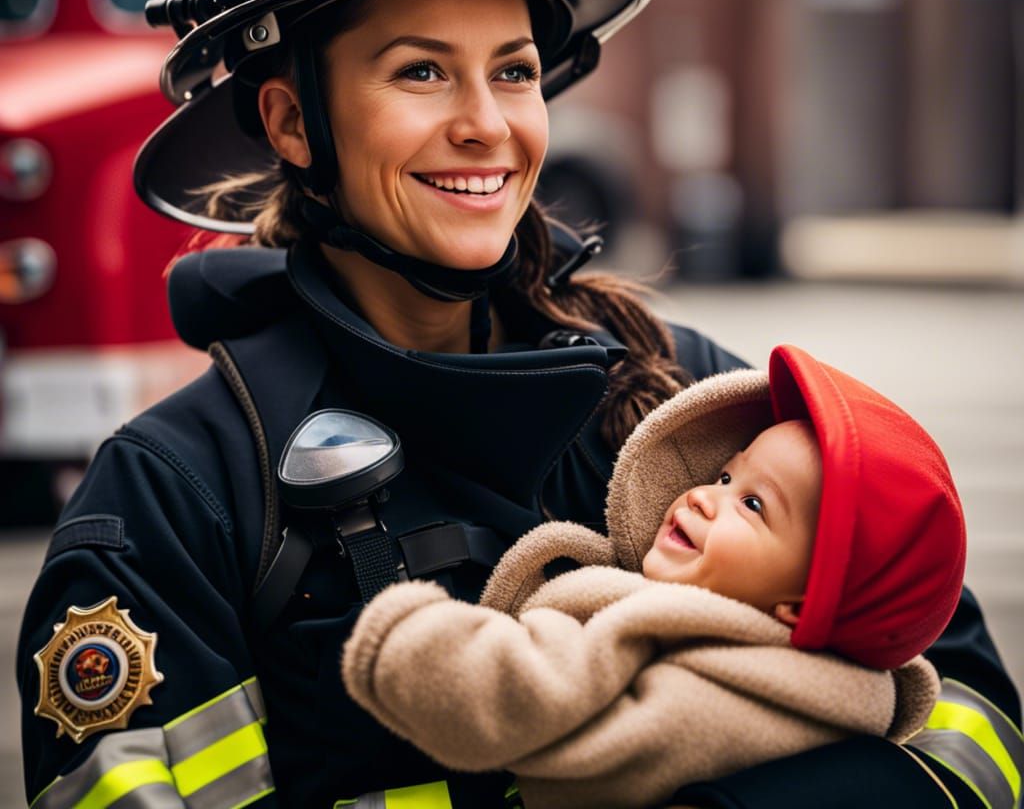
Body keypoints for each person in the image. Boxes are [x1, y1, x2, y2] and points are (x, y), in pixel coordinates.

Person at [16, 0, 1021, 808]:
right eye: (419, 72)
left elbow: (970, 727)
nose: (486, 125)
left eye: (514, 70)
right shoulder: (175, 502)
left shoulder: (693, 400)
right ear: (288, 120)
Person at [342, 345, 959, 808]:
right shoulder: (841, 692)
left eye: (753, 505)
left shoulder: (668, 646)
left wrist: (404, 637)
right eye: (724, 475)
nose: (702, 497)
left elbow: (520, 699)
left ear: (802, 605)